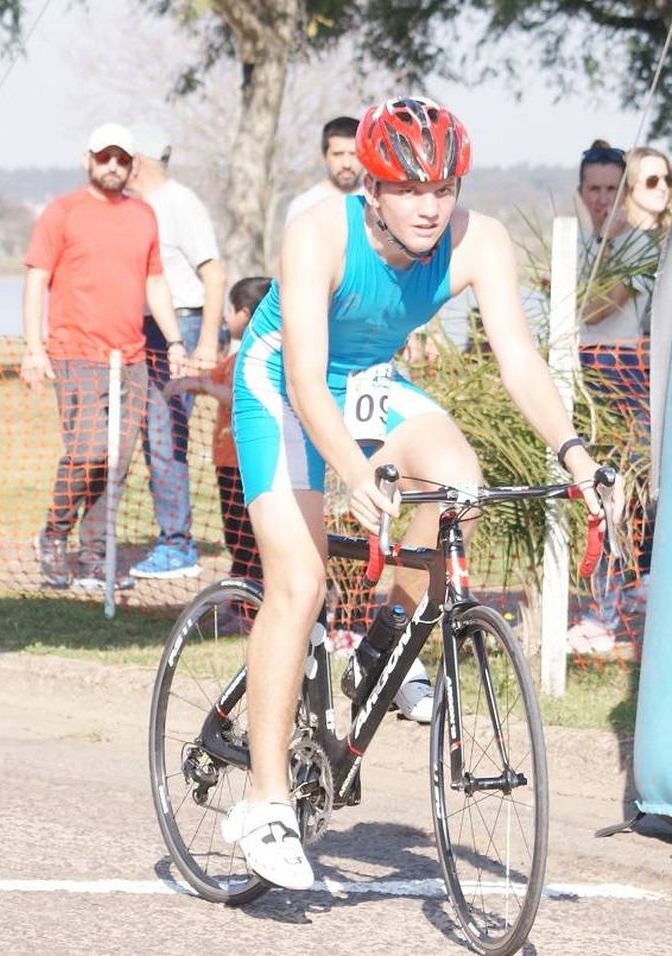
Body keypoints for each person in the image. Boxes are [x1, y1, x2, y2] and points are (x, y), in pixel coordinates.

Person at [221, 97, 617, 889]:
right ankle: (264, 802)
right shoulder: (318, 235)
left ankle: (382, 647)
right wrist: (354, 469)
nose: (430, 205)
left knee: (461, 484)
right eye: (408, 188)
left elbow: (519, 360)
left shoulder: (479, 240)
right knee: (296, 586)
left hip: (369, 381)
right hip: (281, 386)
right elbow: (303, 378)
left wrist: (573, 451)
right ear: (372, 188)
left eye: (443, 186)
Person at [23, 122, 182, 590]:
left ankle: (94, 554)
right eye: (103, 157)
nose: (112, 166)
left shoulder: (144, 215)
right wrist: (34, 349)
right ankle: (53, 536)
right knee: (88, 452)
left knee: (116, 461)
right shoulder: (62, 212)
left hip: (130, 357)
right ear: (88, 160)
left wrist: (174, 340)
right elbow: (36, 280)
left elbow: (155, 281)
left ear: (132, 166)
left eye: (121, 159)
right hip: (77, 352)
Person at [570, 145, 668, 651]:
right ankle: (603, 605)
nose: (603, 199)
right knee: (596, 495)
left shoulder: (639, 248)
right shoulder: (578, 244)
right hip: (587, 381)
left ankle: (608, 612)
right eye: (595, 189)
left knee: (624, 496)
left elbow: (593, 307)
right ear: (582, 192)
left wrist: (573, 296)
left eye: (613, 189)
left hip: (628, 379)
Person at [124, 123, 227, 580]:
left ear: (139, 160)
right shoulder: (135, 206)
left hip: (182, 324)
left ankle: (177, 545)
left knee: (167, 436)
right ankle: (171, 538)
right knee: (154, 437)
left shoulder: (179, 203)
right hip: (146, 329)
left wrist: (205, 342)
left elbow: (215, 275)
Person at [166, 275, 269, 584]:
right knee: (234, 534)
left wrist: (209, 389)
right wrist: (188, 383)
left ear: (247, 314)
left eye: (231, 310)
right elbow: (212, 379)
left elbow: (240, 397)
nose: (225, 317)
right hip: (227, 461)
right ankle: (242, 597)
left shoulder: (261, 359)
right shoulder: (236, 358)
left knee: (250, 536)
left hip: (248, 463)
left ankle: (251, 597)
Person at [284, 116, 362, 225]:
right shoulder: (303, 206)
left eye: (354, 154)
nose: (346, 164)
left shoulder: (378, 205)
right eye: (338, 154)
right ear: (325, 156)